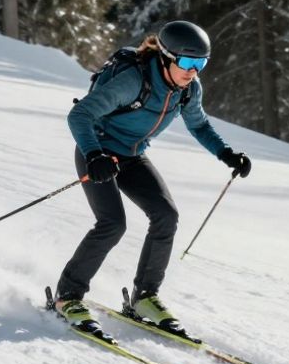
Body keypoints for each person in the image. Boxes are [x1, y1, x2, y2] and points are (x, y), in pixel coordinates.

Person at [52, 21, 252, 341]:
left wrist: (226, 154)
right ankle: (67, 296)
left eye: (201, 64)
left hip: (131, 156)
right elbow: (80, 116)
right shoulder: (134, 81)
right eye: (187, 63)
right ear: (166, 57)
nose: (193, 72)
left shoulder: (188, 90)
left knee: (166, 216)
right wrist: (94, 156)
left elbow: (199, 126)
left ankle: (144, 297)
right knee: (112, 223)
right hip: (99, 152)